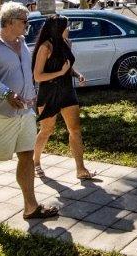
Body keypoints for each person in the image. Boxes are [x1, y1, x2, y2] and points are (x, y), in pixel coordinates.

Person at [0, 2, 56, 222]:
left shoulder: (22, 43)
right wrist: (6, 93)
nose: (27, 25)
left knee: (26, 155)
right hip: (0, 113)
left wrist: (33, 95)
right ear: (9, 22)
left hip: (25, 112)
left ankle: (30, 207)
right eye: (24, 21)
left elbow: (26, 74)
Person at [32, 15, 91, 180]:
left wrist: (77, 74)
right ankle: (35, 162)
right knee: (47, 130)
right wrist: (60, 73)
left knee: (75, 129)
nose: (69, 29)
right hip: (49, 93)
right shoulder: (45, 47)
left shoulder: (66, 43)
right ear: (58, 29)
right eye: (66, 26)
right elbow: (37, 76)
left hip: (67, 91)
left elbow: (67, 66)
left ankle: (81, 169)